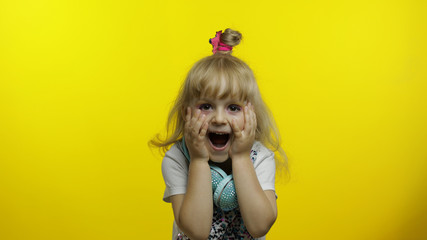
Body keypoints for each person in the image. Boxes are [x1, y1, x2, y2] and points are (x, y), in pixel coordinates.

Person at [150, 28, 287, 240]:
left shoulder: (260, 157)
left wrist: (241, 157)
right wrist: (197, 160)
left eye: (233, 108)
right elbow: (197, 231)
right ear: (187, 112)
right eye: (206, 106)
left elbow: (260, 226)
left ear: (252, 113)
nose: (220, 119)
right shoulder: (177, 158)